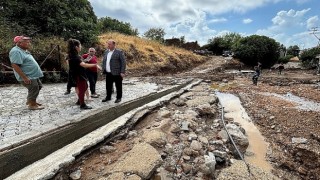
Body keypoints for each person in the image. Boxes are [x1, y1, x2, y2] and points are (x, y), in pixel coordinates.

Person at [9, 35, 44, 110]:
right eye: (27, 42)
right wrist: (24, 77)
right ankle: (32, 105)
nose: (29, 44)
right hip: (27, 75)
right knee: (34, 87)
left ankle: (31, 100)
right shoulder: (16, 51)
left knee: (38, 86)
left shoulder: (23, 50)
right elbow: (15, 65)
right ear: (20, 43)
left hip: (32, 75)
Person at [67, 38, 101, 110]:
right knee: (82, 89)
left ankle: (79, 101)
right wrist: (94, 65)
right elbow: (84, 65)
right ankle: (82, 105)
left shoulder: (72, 55)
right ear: (76, 47)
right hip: (79, 75)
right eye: (80, 46)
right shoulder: (75, 56)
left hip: (77, 74)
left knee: (85, 87)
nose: (81, 47)